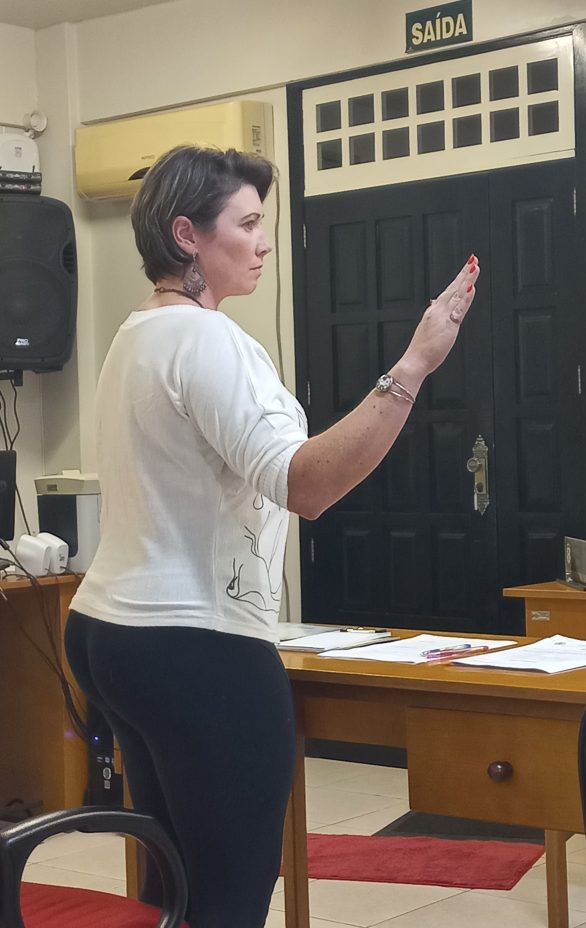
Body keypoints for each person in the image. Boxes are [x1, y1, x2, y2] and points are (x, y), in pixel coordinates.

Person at [64, 145, 480, 928]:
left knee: (173, 887)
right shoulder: (205, 340)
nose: (263, 243)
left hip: (111, 629)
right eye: (248, 224)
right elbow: (306, 485)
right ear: (187, 235)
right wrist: (414, 366)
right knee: (227, 898)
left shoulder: (136, 335)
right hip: (191, 641)